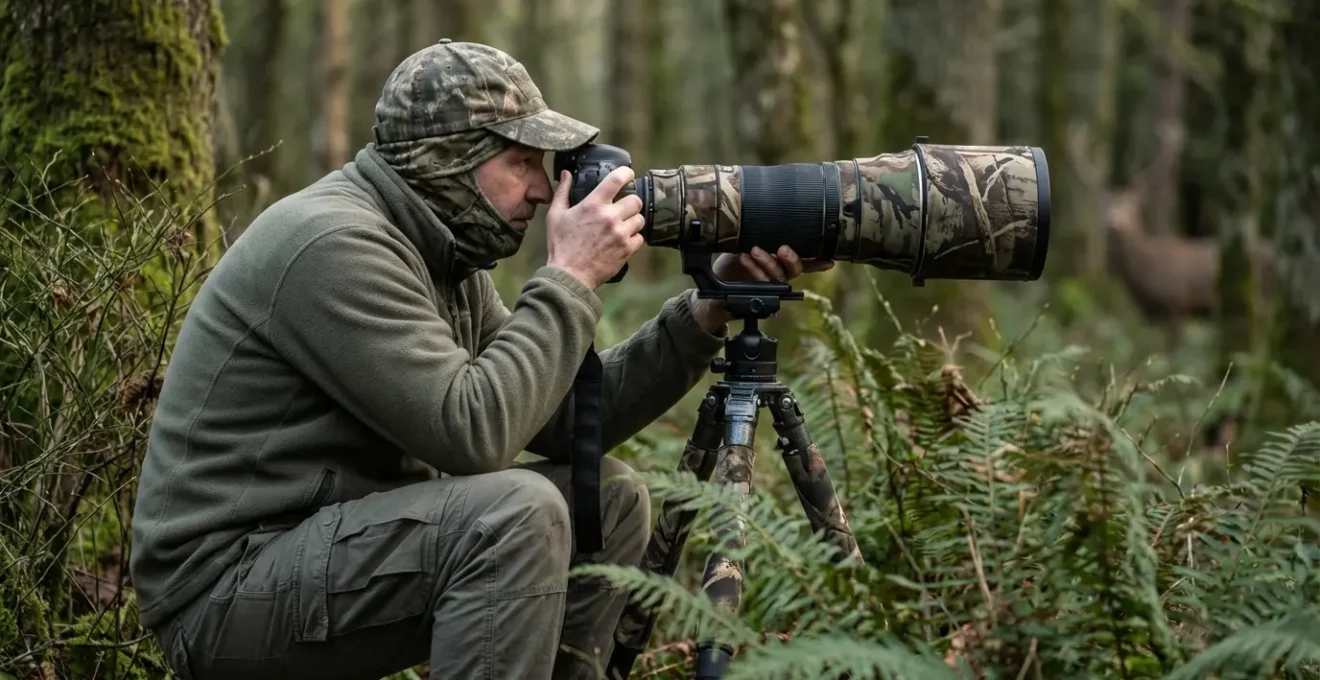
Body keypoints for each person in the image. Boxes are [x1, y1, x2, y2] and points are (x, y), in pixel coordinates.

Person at [130, 40, 832, 680]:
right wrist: (571, 277)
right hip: (224, 596)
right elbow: (474, 433)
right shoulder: (334, 245)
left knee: (610, 501)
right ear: (446, 160)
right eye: (521, 161)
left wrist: (709, 310)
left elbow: (556, 419)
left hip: (318, 561)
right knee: (516, 513)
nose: (540, 186)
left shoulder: (444, 252)